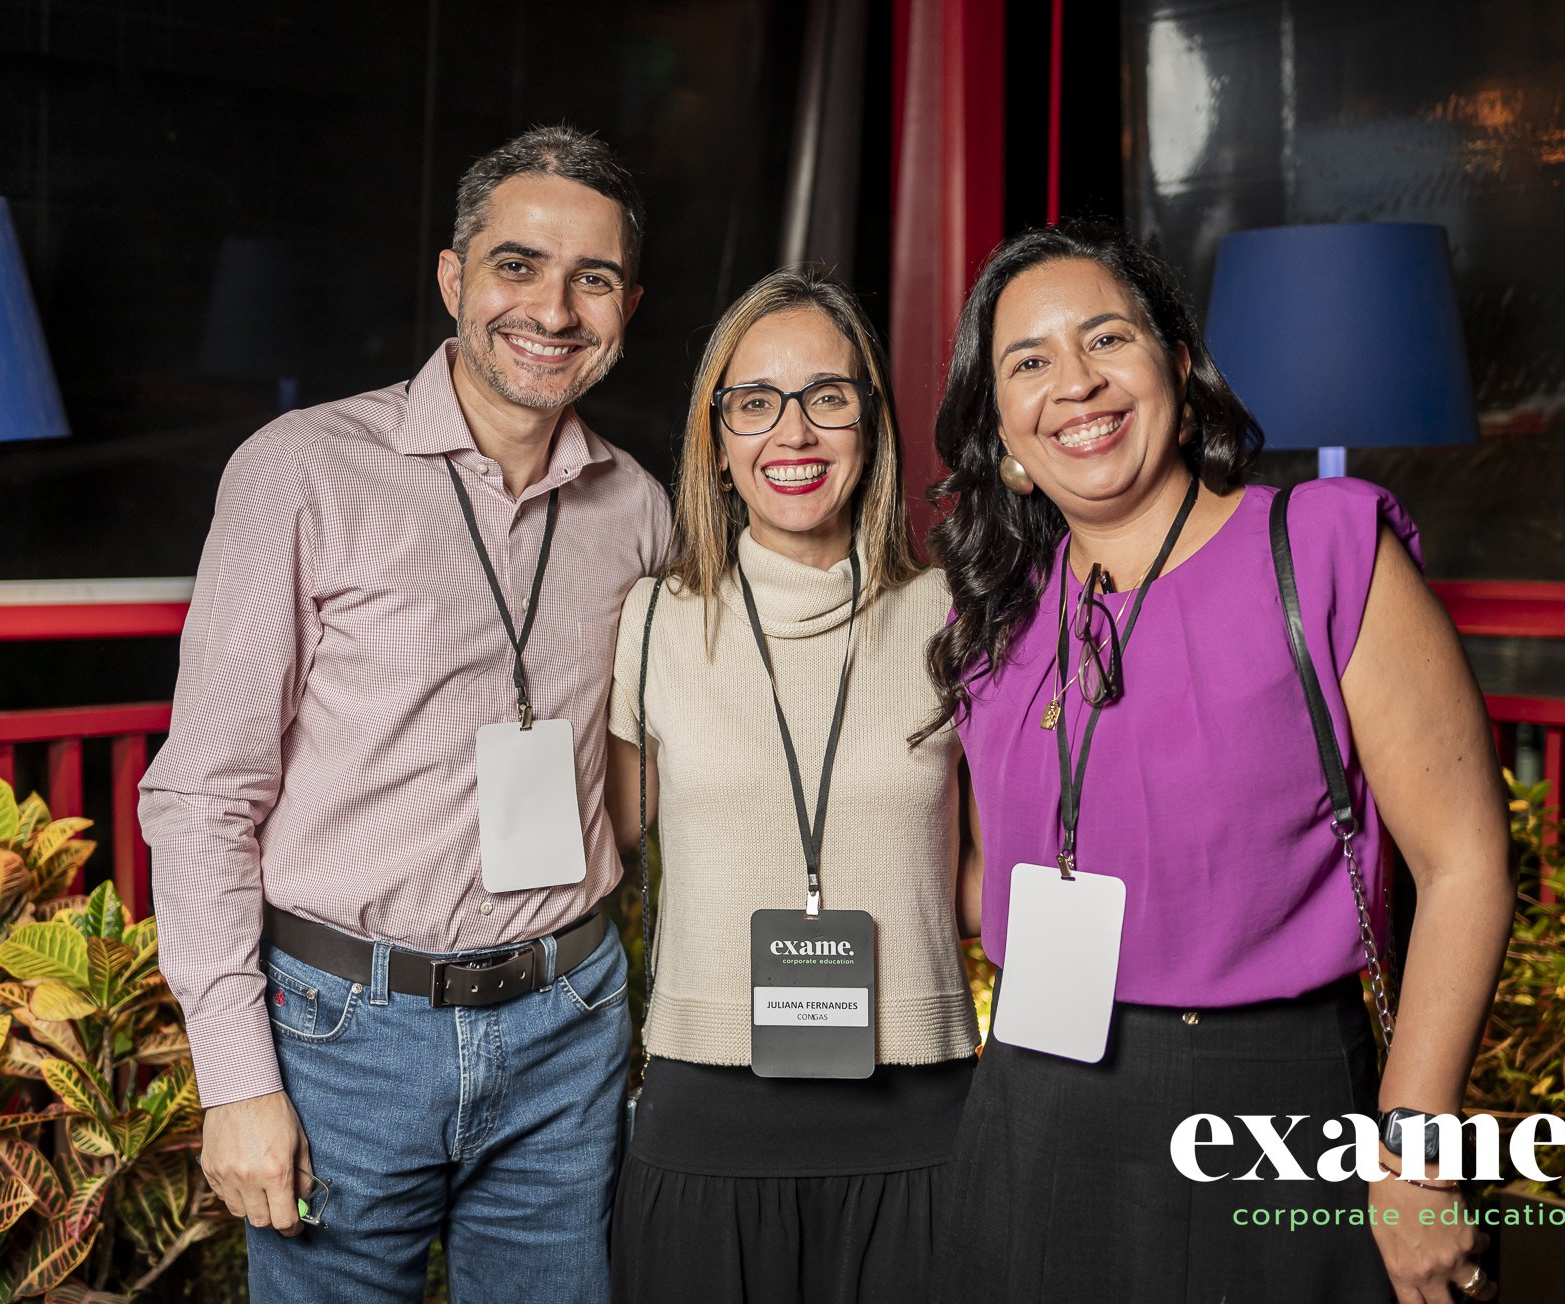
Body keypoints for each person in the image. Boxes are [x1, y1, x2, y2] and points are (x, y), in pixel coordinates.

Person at [921, 221, 1513, 1304]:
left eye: (1107, 338)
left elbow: (1466, 861)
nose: (1076, 384)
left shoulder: (1323, 549)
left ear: (1178, 368)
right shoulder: (991, 623)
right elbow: (979, 882)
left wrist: (1414, 1147)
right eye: (1030, 362)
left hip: (1268, 1102)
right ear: (1001, 428)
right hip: (1033, 1103)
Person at [139, 125, 670, 1303]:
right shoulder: (303, 467)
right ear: (452, 278)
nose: (553, 307)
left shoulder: (637, 504)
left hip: (570, 1020)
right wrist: (235, 1078)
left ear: (627, 304)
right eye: (517, 265)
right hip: (344, 1033)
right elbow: (202, 794)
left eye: (592, 277)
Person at [605, 268, 982, 1303]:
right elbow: (613, 846)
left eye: (829, 395)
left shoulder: (955, 614)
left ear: (870, 420)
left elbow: (988, 875)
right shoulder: (652, 619)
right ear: (716, 438)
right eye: (754, 401)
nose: (794, 432)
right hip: (704, 1124)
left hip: (921, 1122)